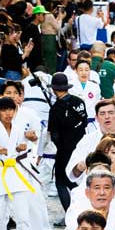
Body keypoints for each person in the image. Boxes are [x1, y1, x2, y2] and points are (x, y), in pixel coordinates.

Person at [47, 71, 89, 212]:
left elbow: (54, 135)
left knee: (61, 181)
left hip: (65, 149)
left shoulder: (55, 108)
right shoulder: (79, 101)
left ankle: (71, 213)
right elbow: (84, 122)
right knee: (78, 179)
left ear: (54, 89)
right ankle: (85, 207)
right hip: (82, 146)